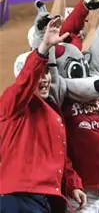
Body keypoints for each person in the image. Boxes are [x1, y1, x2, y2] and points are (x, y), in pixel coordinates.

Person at [0, 17, 87, 213]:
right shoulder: (11, 103)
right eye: (39, 74)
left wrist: (73, 184)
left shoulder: (51, 111)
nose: (45, 79)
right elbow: (24, 82)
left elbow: (59, 156)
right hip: (19, 198)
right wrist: (43, 48)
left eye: (47, 73)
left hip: (43, 199)